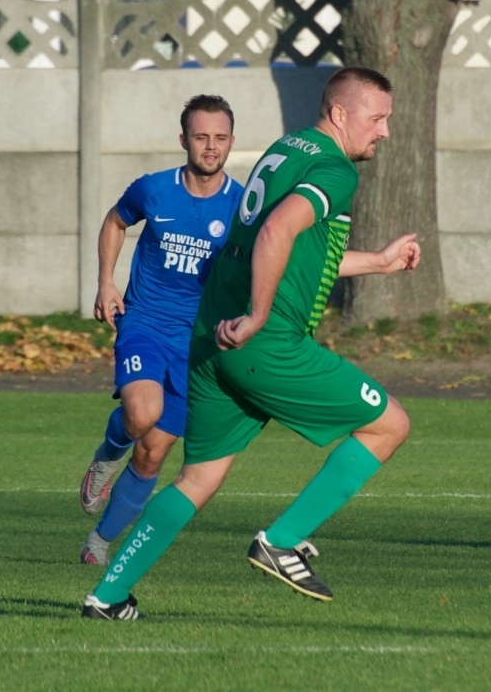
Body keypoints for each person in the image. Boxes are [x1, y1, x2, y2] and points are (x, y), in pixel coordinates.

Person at [82, 66, 419, 620]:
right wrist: (260, 315)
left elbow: (279, 250)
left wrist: (378, 263)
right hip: (263, 343)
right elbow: (276, 232)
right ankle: (282, 540)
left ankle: (108, 596)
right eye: (377, 118)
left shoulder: (285, 151)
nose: (383, 131)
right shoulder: (335, 170)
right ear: (340, 114)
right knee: (389, 425)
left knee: (198, 477)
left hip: (211, 342)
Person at [78, 95, 241, 565]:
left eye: (220, 138)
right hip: (144, 322)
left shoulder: (241, 206)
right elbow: (115, 221)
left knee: (152, 455)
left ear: (231, 141)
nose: (211, 147)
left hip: (198, 346)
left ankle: (100, 541)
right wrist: (107, 282)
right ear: (184, 140)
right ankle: (108, 454)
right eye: (201, 137)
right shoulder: (154, 189)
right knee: (141, 415)